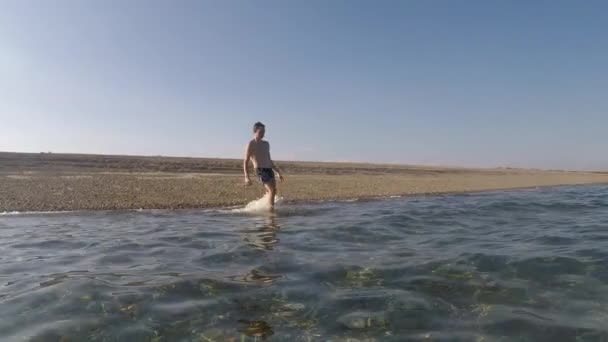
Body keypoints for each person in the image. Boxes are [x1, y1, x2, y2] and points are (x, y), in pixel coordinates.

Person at [243, 122, 284, 209]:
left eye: (264, 132)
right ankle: (270, 211)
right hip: (260, 170)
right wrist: (246, 177)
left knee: (272, 191)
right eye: (260, 132)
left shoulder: (266, 144)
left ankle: (263, 207)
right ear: (254, 131)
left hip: (269, 169)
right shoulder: (251, 144)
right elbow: (246, 161)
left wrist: (277, 172)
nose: (263, 134)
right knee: (272, 190)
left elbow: (269, 159)